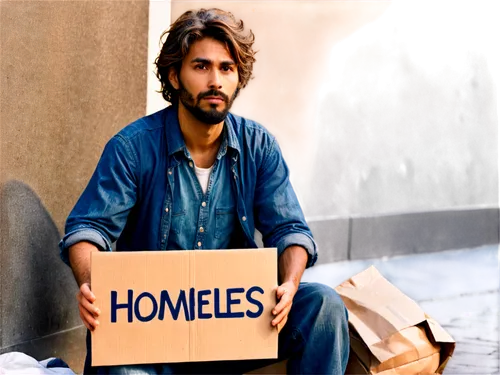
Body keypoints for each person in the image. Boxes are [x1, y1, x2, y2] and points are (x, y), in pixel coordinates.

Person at [59, 8, 349, 375]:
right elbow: (88, 230)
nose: (216, 80)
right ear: (174, 76)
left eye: (226, 68)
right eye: (201, 67)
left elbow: (290, 230)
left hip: (236, 328)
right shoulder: (132, 148)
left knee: (323, 305)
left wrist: (290, 285)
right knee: (118, 363)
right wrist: (88, 283)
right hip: (150, 336)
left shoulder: (258, 146)